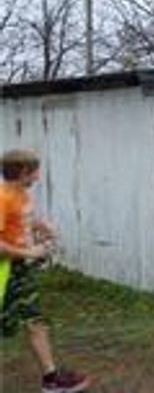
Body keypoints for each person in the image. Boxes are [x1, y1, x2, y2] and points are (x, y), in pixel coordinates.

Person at [1, 149, 92, 393]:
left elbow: (23, 220)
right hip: (6, 272)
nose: (38, 177)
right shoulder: (3, 198)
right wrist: (30, 253)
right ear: (22, 172)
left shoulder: (20, 194)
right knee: (31, 322)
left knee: (35, 322)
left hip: (20, 272)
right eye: (35, 171)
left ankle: (51, 379)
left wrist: (43, 227)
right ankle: (51, 380)